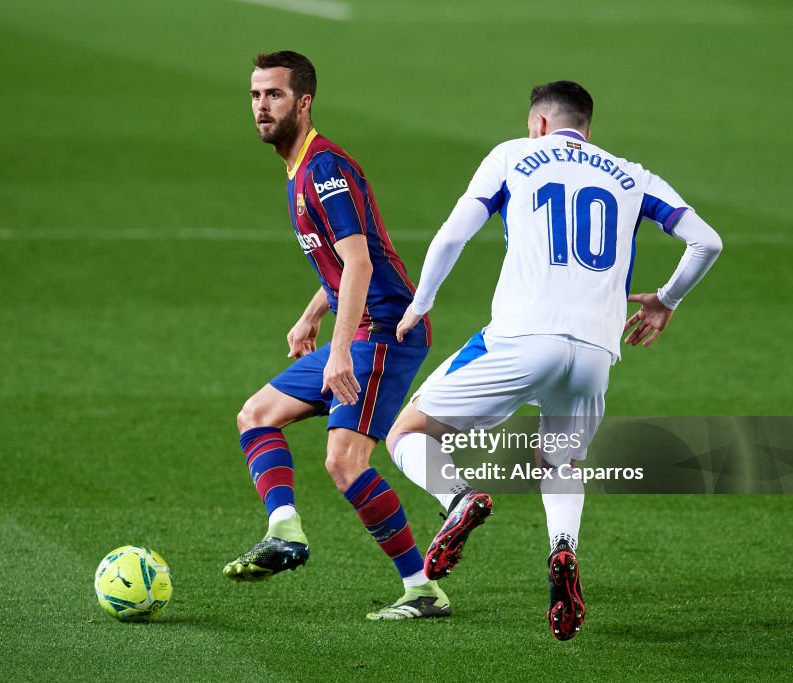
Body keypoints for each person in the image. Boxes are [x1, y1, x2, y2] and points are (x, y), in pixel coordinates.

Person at [384, 81, 723, 639]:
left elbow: (452, 235)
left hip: (520, 339)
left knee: (408, 432)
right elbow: (706, 241)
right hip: (595, 351)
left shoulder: (513, 155)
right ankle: (563, 551)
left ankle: (459, 500)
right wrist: (666, 300)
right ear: (587, 127)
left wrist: (420, 304)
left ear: (539, 123)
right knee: (560, 464)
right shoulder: (633, 175)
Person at [223, 50, 448, 620]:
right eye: (254, 95)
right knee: (256, 415)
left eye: (273, 95)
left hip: (387, 331)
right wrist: (311, 315)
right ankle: (285, 531)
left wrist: (339, 351)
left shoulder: (324, 168)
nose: (261, 107)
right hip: (363, 325)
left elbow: (361, 265)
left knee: (345, 460)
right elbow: (346, 261)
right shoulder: (299, 167)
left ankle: (422, 590)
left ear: (303, 102)